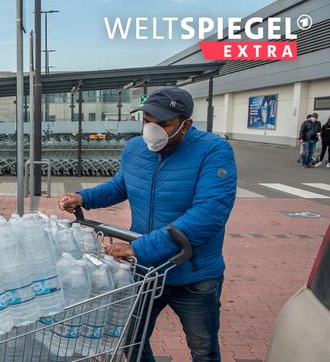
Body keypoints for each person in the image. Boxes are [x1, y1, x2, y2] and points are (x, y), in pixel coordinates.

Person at [59, 87, 237, 362]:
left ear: (185, 124)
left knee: (203, 351)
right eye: (147, 122)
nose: (152, 130)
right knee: (131, 342)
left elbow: (208, 214)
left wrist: (141, 248)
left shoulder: (214, 151)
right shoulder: (135, 149)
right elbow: (121, 185)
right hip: (144, 271)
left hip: (193, 274)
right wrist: (84, 197)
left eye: (163, 123)